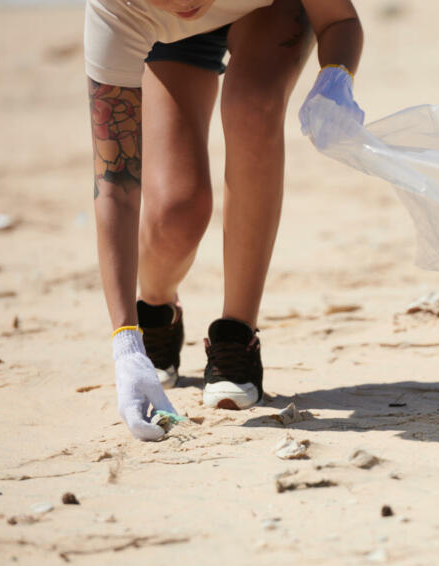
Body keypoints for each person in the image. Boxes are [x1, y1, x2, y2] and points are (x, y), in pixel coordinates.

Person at [84, 0, 364, 440]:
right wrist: (126, 343)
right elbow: (115, 183)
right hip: (164, 35)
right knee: (177, 213)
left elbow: (341, 19)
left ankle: (237, 333)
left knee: (252, 106)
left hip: (267, 10)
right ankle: (157, 308)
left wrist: (336, 79)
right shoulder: (116, 11)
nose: (188, 4)